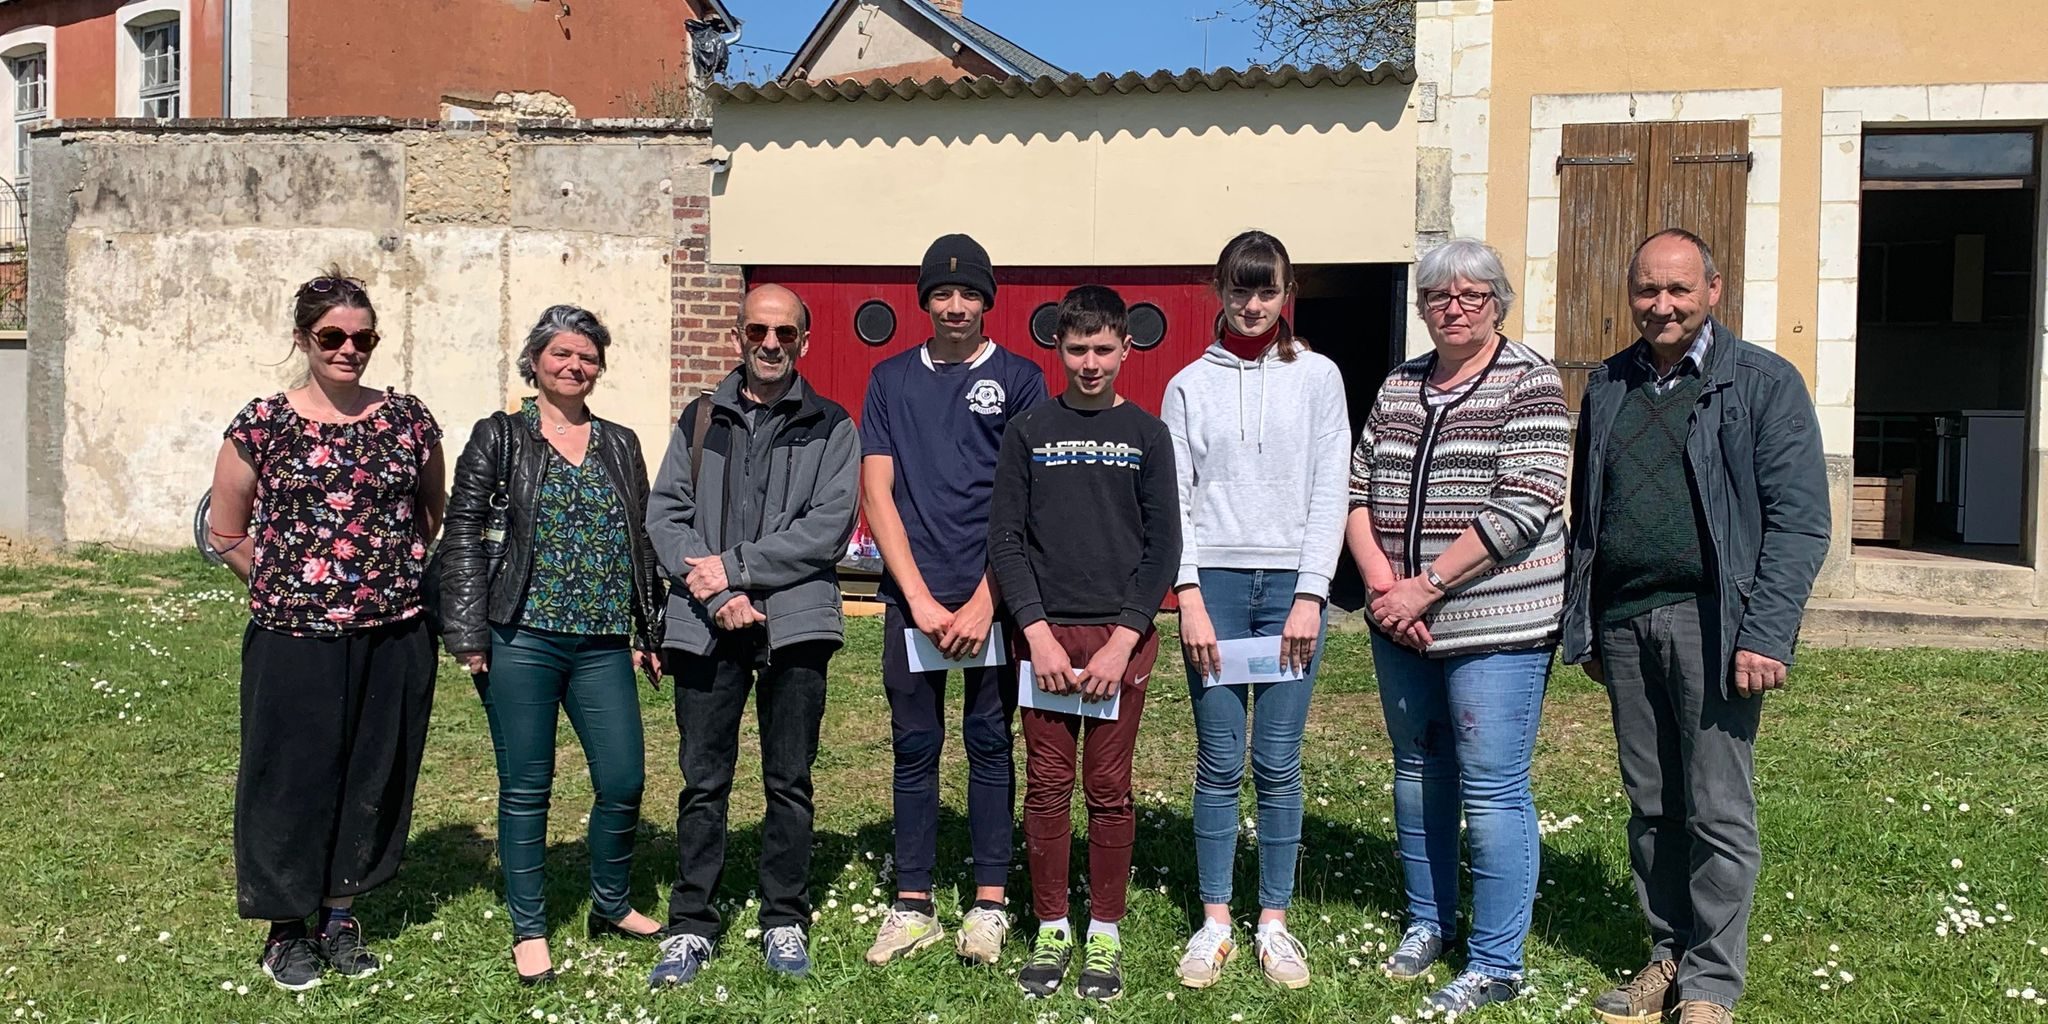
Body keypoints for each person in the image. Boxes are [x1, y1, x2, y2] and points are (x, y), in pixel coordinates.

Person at [1566, 229, 1830, 1024]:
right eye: (1648, 289)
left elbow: (1800, 522)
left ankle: (1712, 983)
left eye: (1679, 289)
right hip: (1625, 620)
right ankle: (1666, 953)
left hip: (1716, 624)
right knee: (1651, 803)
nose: (1662, 305)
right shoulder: (1608, 383)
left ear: (1715, 290)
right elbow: (1590, 510)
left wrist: (1765, 632)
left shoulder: (1760, 382)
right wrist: (1587, 617)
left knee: (1716, 805)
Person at [1345, 239, 1570, 1015]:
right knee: (1417, 771)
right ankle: (1428, 921)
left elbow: (1525, 503)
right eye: (1440, 296)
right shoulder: (1401, 383)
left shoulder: (1531, 382)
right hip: (1397, 620)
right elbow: (1356, 487)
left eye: (1473, 296)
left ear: (1499, 303)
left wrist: (1427, 587)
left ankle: (1498, 961)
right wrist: (1384, 588)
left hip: (1496, 621)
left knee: (1495, 786)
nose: (1455, 308)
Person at [207, 270, 445, 992]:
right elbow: (226, 530)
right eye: (332, 337)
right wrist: (286, 585)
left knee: (373, 770)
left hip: (394, 632)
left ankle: (340, 915)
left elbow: (429, 516)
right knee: (289, 777)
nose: (349, 349)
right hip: (293, 639)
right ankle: (286, 931)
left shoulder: (408, 420)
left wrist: (376, 577)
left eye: (362, 337)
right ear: (303, 340)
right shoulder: (262, 424)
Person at [439, 305, 667, 985]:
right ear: (535, 359)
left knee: (623, 779)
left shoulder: (621, 443)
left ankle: (612, 903)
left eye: (588, 356)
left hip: (601, 641)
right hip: (522, 636)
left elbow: (642, 540)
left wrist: (647, 626)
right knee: (527, 786)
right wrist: (468, 631)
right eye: (562, 353)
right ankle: (530, 928)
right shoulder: (500, 436)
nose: (575, 366)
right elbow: (463, 535)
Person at [644, 284, 860, 985]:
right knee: (703, 782)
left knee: (789, 781)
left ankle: (783, 918)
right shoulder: (701, 419)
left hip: (795, 623)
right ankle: (692, 923)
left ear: (806, 341)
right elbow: (665, 515)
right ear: (738, 335)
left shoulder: (834, 425)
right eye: (758, 332)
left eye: (785, 334)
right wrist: (718, 593)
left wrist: (732, 570)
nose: (771, 345)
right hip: (708, 626)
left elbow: (825, 529)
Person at [1161, 230, 1349, 990]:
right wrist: (1189, 596)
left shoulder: (1321, 377)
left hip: (1288, 593)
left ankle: (1274, 922)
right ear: (1218, 290)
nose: (1250, 305)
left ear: (1286, 293)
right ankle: (1214, 922)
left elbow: (1330, 486)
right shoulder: (1186, 385)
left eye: (1265, 290)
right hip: (1218, 589)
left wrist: (1311, 594)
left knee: (1276, 760)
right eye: (1238, 290)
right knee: (1217, 761)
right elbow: (1173, 496)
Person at [860, 233, 1047, 968]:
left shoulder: (1022, 379)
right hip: (916, 598)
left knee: (990, 742)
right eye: (943, 293)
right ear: (925, 301)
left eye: (970, 292)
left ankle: (990, 902)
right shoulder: (890, 379)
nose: (957, 305)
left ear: (988, 300)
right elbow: (877, 490)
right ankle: (912, 904)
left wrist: (983, 600)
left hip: (992, 598)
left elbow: (1026, 500)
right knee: (915, 745)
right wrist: (918, 598)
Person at [988, 286, 1180, 1001]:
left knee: (1106, 785)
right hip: (1045, 636)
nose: (1091, 362)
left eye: (1104, 349)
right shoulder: (1029, 430)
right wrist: (1035, 632)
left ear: (1126, 349)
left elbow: (1163, 547)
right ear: (1059, 350)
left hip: (1115, 639)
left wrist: (1122, 641)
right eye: (1078, 349)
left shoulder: (1147, 435)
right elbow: (1006, 539)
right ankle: (1050, 924)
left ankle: (1104, 928)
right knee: (1045, 782)